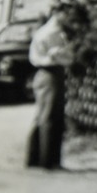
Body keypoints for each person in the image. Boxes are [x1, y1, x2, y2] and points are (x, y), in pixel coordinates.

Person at [25, 9, 71, 169]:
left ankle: (38, 159)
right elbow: (35, 58)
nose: (68, 17)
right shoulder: (45, 34)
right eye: (66, 13)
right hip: (48, 74)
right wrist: (52, 56)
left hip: (56, 73)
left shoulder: (59, 33)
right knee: (48, 116)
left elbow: (70, 58)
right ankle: (47, 161)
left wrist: (62, 56)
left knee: (50, 115)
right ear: (57, 13)